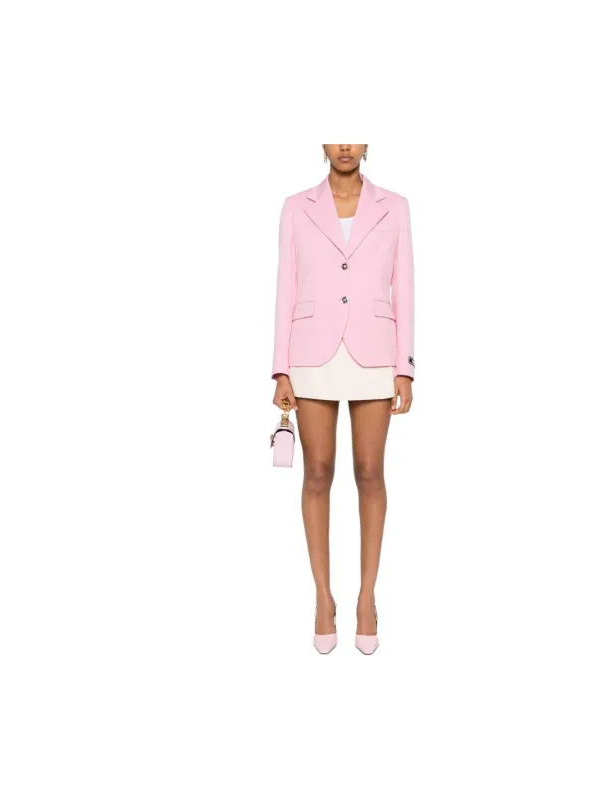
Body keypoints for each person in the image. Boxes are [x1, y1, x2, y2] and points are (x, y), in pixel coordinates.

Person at [271, 144, 415, 655]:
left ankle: (367, 599)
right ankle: (322, 598)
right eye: (336, 135)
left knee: (370, 472)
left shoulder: (395, 207)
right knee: (317, 473)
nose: (346, 146)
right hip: (312, 352)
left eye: (355, 135)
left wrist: (405, 367)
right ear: (323, 144)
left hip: (375, 352)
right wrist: (281, 367)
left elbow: (404, 288)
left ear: (368, 144)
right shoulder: (296, 207)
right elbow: (286, 287)